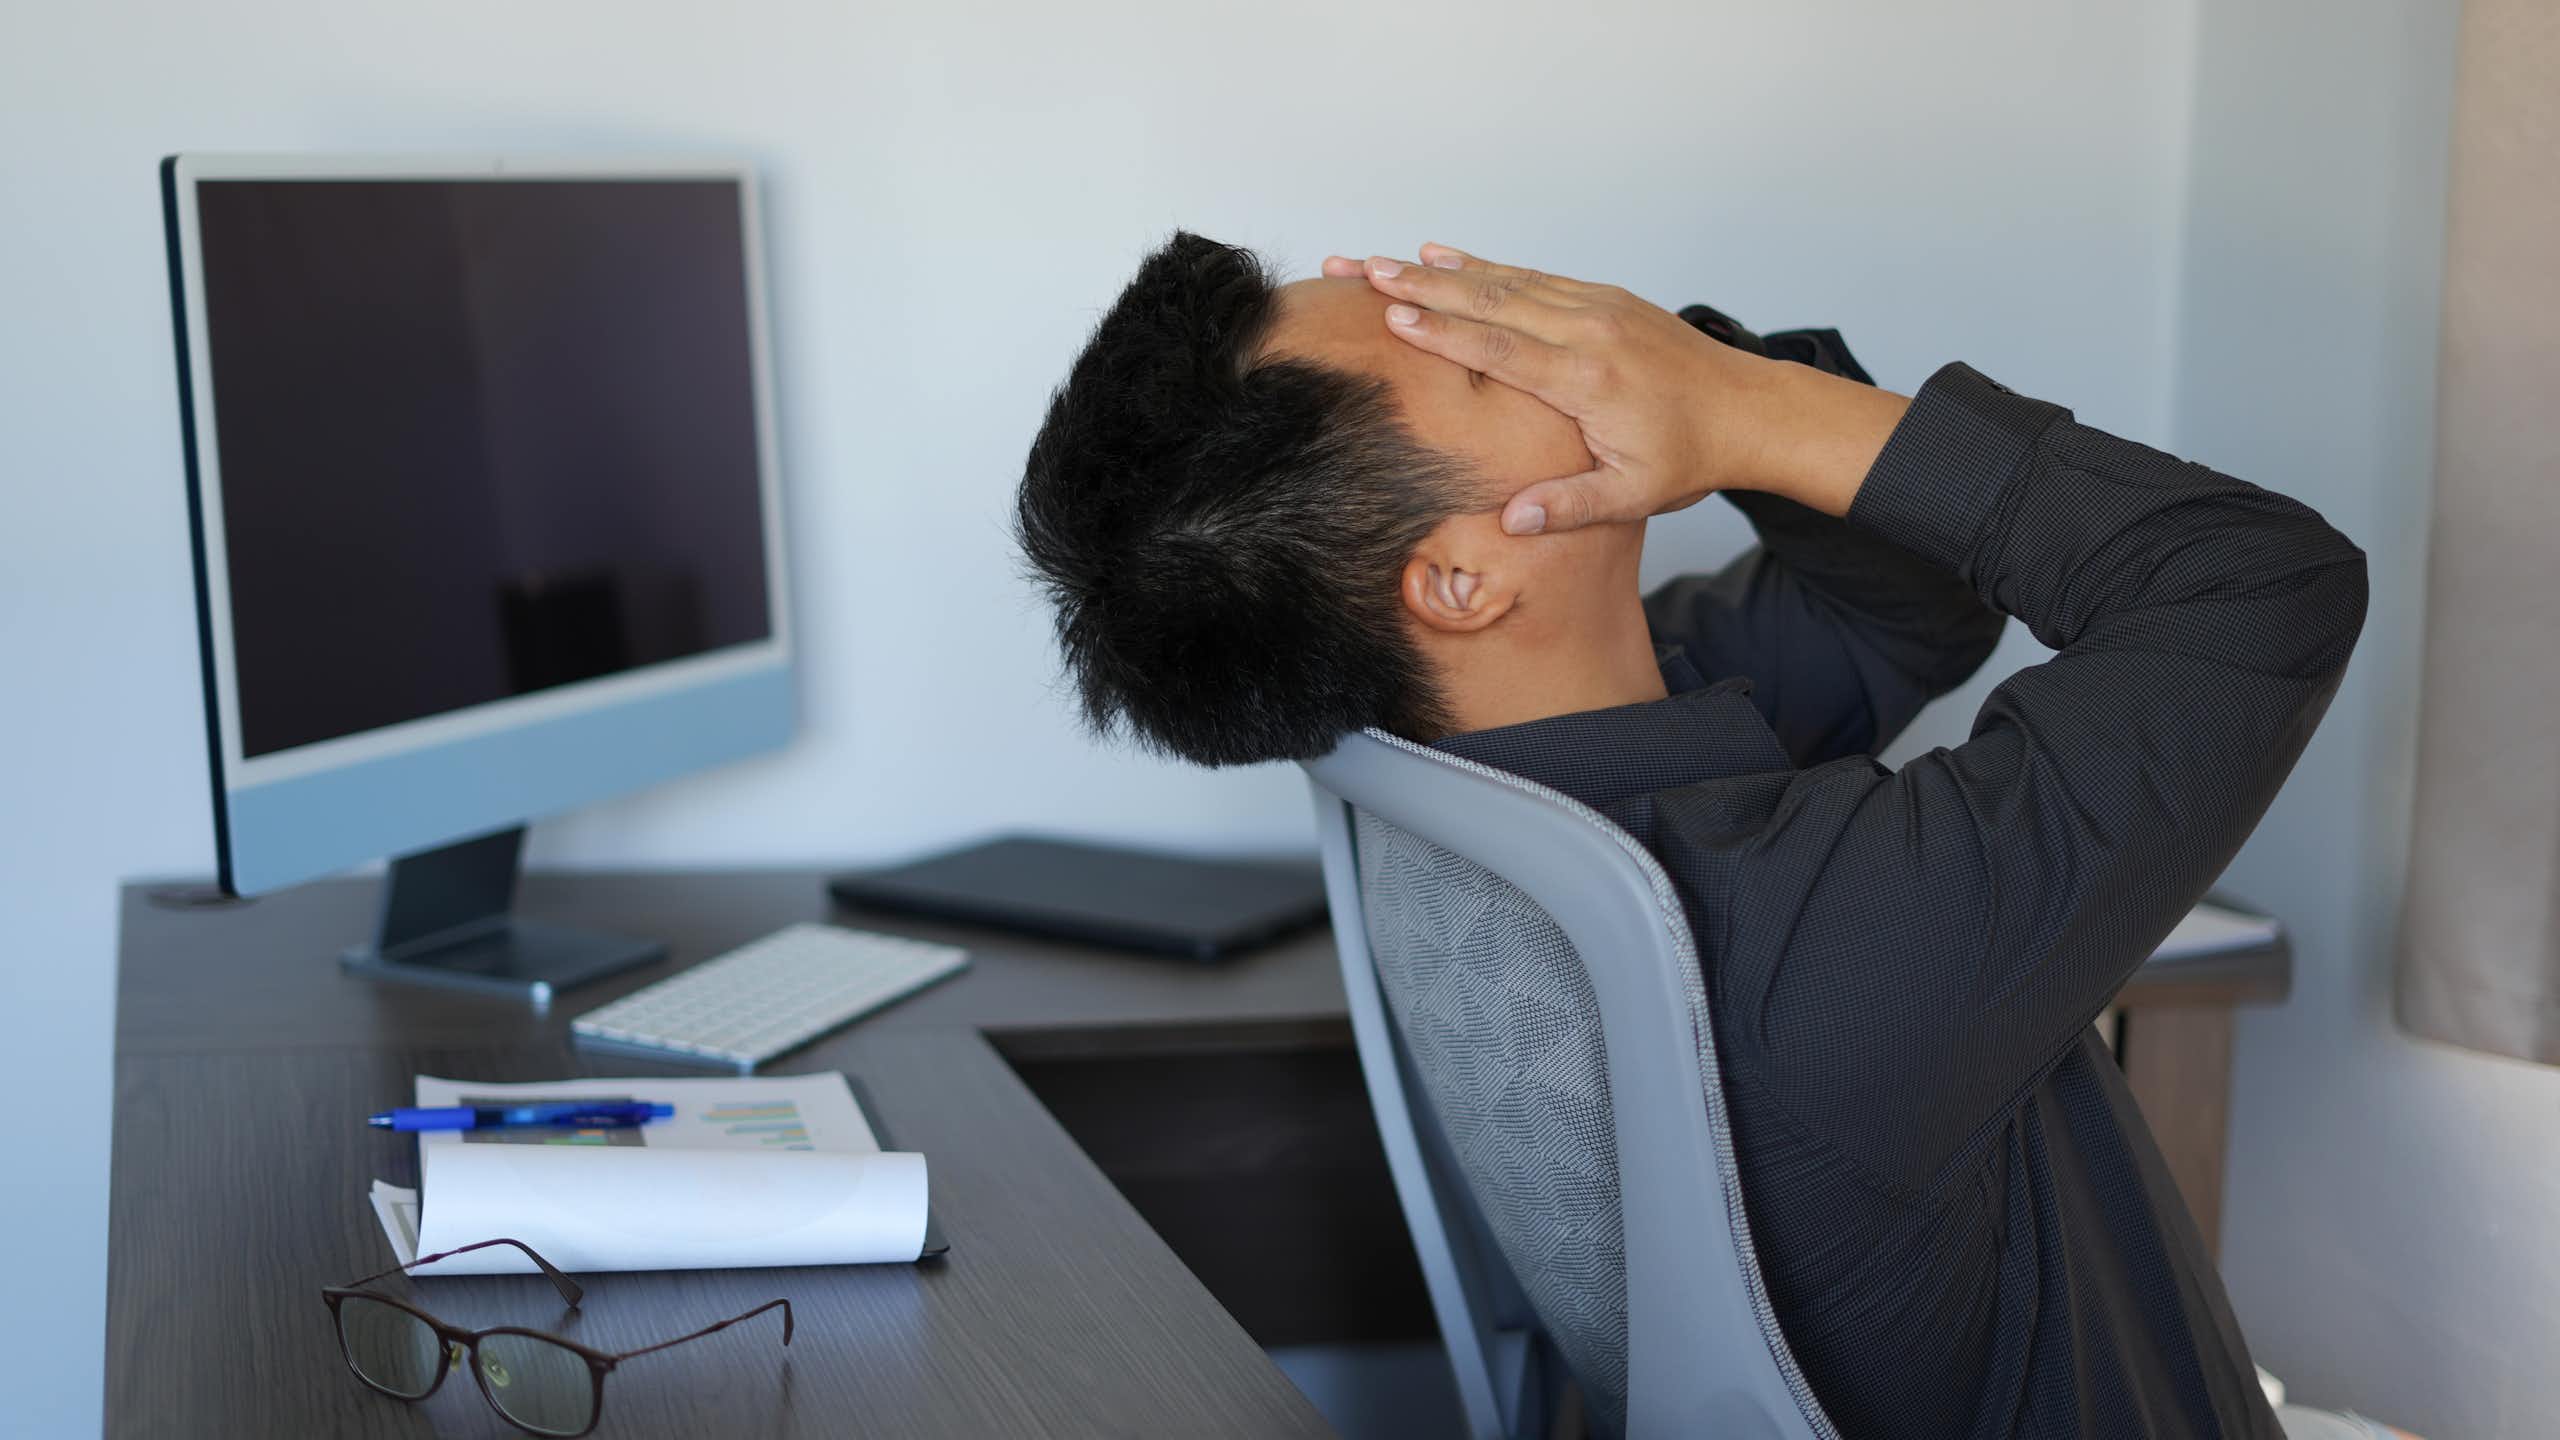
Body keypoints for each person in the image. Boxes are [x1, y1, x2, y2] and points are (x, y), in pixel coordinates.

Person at [1018, 233, 2372, 1438]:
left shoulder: (1467, 773)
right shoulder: (1809, 935)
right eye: (1476, 359)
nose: (1515, 315)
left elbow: (1904, 619)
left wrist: (1694, 376)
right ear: (1461, 582)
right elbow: (2260, 587)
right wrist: (1733, 407)